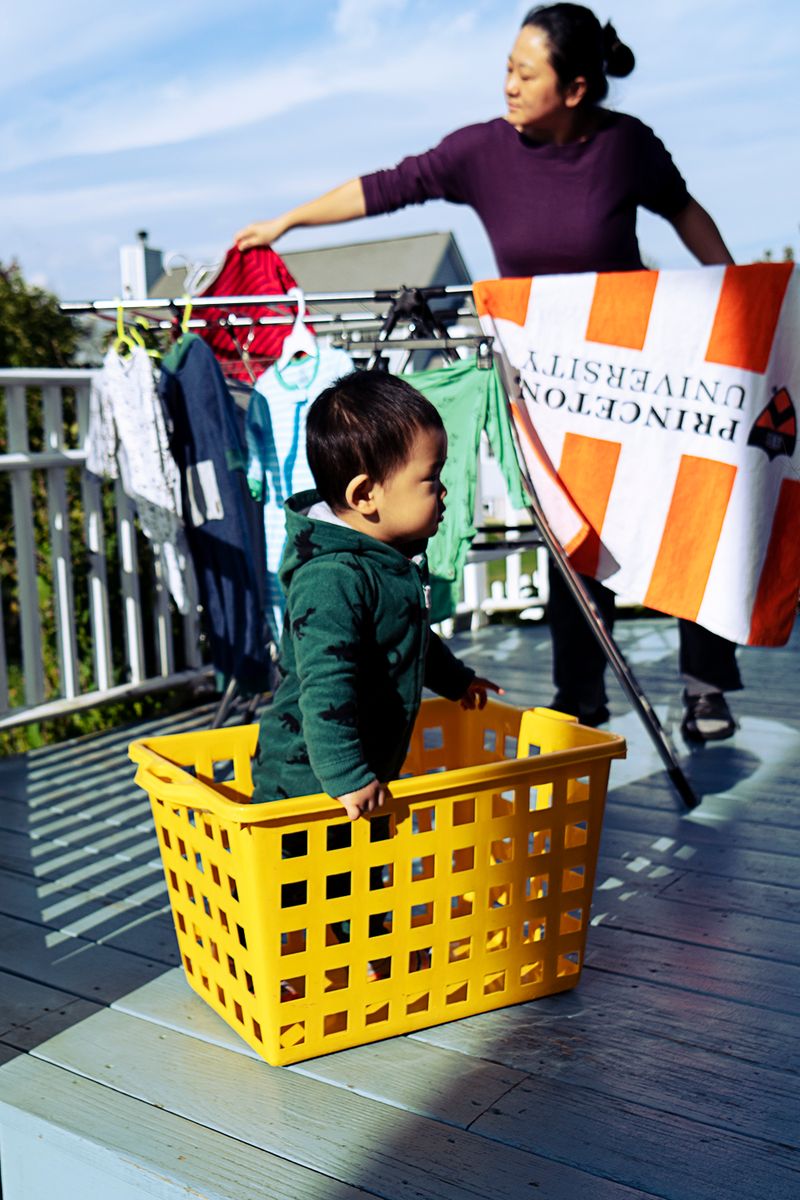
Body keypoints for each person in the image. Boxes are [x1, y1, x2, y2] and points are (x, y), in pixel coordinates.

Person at [236, 3, 741, 743]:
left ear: (574, 88)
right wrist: (287, 221)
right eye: (508, 68)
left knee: (686, 510)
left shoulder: (626, 145)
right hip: (548, 389)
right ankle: (580, 704)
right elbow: (388, 185)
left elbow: (684, 212)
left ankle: (704, 688)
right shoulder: (483, 151)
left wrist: (737, 298)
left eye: (526, 74)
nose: (508, 85)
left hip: (637, 378)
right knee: (573, 537)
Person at [250, 369, 501, 816]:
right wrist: (347, 775)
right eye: (431, 478)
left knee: (368, 861)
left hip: (366, 777)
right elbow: (325, 685)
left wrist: (456, 679)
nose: (444, 491)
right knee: (315, 867)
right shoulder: (330, 578)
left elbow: (407, 635)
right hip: (308, 788)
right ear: (366, 494)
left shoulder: (386, 561)